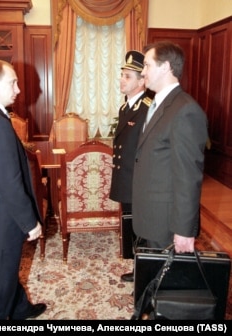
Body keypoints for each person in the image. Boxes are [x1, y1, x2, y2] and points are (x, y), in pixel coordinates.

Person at [0, 59, 46, 328]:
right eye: (13, 82)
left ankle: (20, 309)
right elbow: (9, 181)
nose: (18, 89)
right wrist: (29, 222)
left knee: (3, 269)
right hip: (1, 217)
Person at [132, 41, 208, 253]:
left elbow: (188, 177)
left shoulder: (185, 110)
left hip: (166, 221)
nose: (143, 71)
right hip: (152, 213)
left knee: (166, 281)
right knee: (152, 271)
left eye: (147, 65)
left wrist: (184, 230)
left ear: (165, 67)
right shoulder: (158, 103)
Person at [109, 50, 153, 282]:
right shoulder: (126, 107)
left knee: (141, 227)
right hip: (127, 179)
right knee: (132, 224)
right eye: (122, 75)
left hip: (138, 181)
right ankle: (138, 267)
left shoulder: (148, 108)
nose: (122, 80)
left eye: (127, 76)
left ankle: (144, 271)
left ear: (142, 80)